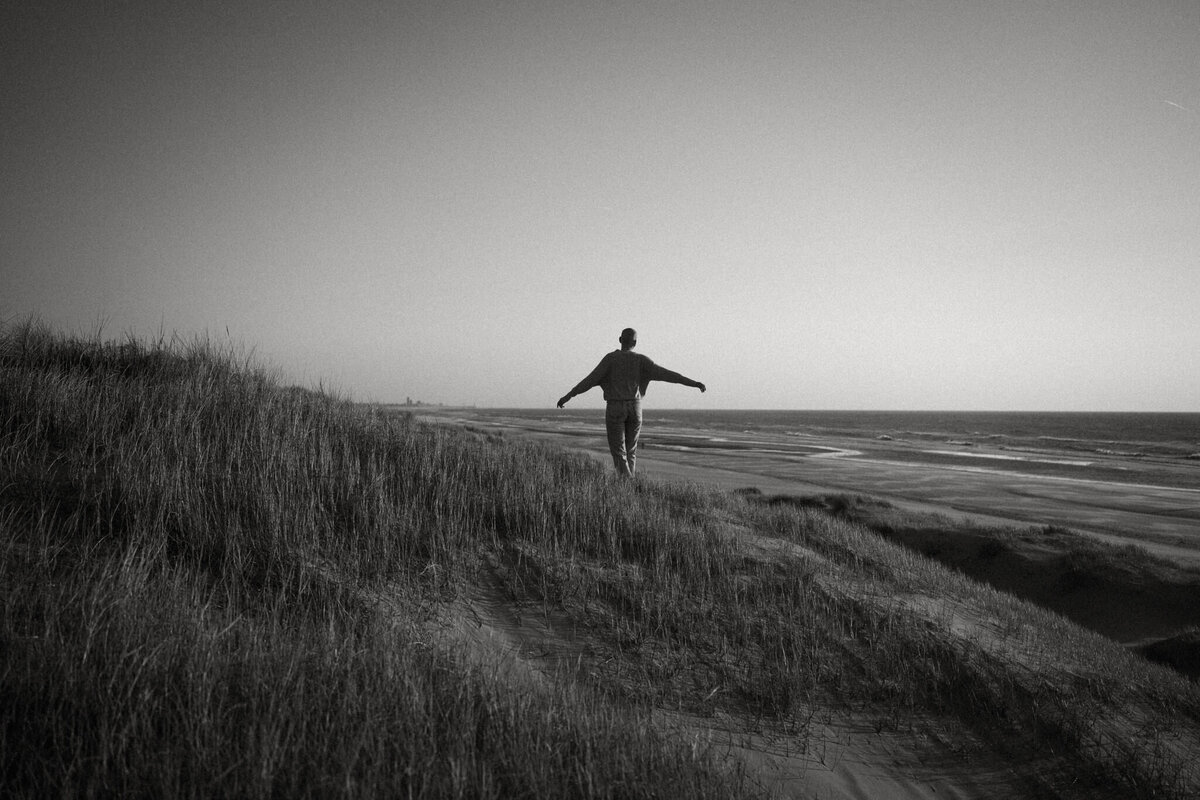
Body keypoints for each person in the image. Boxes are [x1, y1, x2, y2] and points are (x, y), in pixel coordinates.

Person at [557, 328, 706, 477]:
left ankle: (629, 484)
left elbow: (589, 380)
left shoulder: (610, 359)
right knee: (631, 452)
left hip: (616, 407)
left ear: (620, 340)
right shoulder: (641, 360)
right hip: (636, 408)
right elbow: (669, 375)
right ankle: (630, 486)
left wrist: (569, 395)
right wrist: (694, 383)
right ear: (635, 342)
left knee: (619, 452)